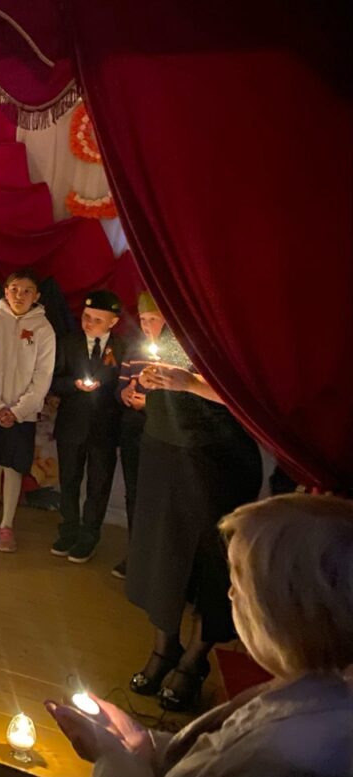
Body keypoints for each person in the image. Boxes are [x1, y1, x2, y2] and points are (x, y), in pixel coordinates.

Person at [46, 493, 353, 777]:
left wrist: (111, 756)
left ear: (283, 612)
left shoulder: (280, 754)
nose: (230, 595)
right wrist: (147, 745)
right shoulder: (311, 698)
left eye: (239, 585)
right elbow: (207, 753)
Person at [125, 325, 261, 711]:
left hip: (217, 460)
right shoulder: (177, 321)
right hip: (163, 451)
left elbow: (255, 399)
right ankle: (164, 648)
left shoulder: (240, 327)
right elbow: (164, 377)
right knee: (161, 555)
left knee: (211, 565)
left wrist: (190, 384)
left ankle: (194, 660)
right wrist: (148, 384)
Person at [0, 270, 55, 552]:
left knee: (14, 467)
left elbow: (42, 376)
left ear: (36, 296)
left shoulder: (43, 329)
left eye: (27, 291)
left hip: (22, 415)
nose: (20, 295)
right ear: (6, 291)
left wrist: (17, 411)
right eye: (15, 289)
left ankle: (7, 524)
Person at [49, 290, 125, 563]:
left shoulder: (122, 347)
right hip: (72, 425)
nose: (89, 323)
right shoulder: (68, 342)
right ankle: (68, 529)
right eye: (86, 316)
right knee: (69, 481)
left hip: (105, 428)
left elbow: (123, 384)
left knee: (98, 485)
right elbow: (53, 381)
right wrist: (74, 385)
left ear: (113, 322)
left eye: (97, 319)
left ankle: (89, 535)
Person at [112, 291, 167, 579]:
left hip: (161, 432)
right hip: (133, 429)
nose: (146, 326)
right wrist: (125, 393)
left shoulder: (176, 351)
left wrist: (149, 403)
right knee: (133, 491)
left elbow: (179, 398)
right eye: (143, 320)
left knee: (157, 494)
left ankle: (157, 557)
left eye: (153, 320)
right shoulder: (135, 349)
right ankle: (135, 552)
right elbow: (121, 385)